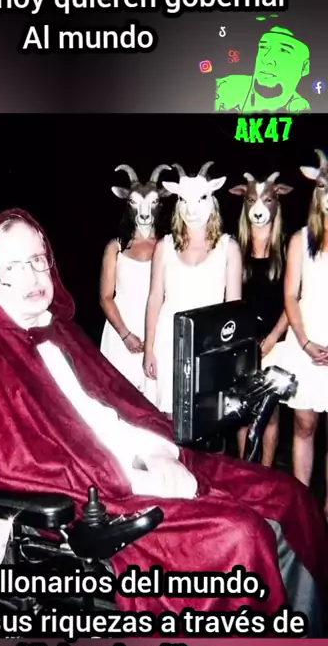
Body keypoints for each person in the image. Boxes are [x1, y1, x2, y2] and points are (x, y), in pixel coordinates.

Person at [0, 207, 328, 629]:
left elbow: (119, 408)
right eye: (12, 267)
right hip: (85, 502)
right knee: (238, 535)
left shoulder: (58, 329)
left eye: (38, 260)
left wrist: (161, 451)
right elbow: (7, 464)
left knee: (287, 496)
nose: (32, 276)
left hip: (136, 463)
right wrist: (135, 480)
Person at [143, 162, 243, 416]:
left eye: (200, 199)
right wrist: (149, 349)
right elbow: (155, 298)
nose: (192, 208)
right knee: (169, 417)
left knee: (206, 418)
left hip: (209, 344)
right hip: (170, 341)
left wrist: (229, 355)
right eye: (184, 200)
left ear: (212, 199)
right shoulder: (164, 247)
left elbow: (233, 307)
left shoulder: (228, 248)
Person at [228, 172, 291, 465]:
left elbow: (293, 299)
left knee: (271, 414)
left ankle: (265, 474)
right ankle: (245, 473)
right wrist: (242, 338)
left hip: (276, 342)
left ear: (277, 201)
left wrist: (273, 338)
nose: (258, 207)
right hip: (242, 342)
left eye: (266, 200)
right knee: (242, 411)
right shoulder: (233, 247)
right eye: (252, 199)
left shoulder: (287, 247)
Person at [282, 152, 328, 516]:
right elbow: (290, 296)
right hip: (307, 340)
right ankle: (302, 507)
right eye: (325, 186)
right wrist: (305, 341)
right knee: (304, 423)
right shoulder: (301, 239)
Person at [100, 164, 170, 391]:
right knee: (119, 398)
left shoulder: (168, 247)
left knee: (154, 399)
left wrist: (156, 339)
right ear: (127, 203)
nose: (144, 211)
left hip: (157, 337)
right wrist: (125, 335)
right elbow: (105, 297)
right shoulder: (116, 247)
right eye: (135, 202)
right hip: (121, 336)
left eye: (152, 202)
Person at [215, 27, 311, 113]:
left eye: (284, 50)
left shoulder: (300, 109)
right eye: (263, 47)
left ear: (305, 67)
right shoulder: (225, 87)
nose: (266, 59)